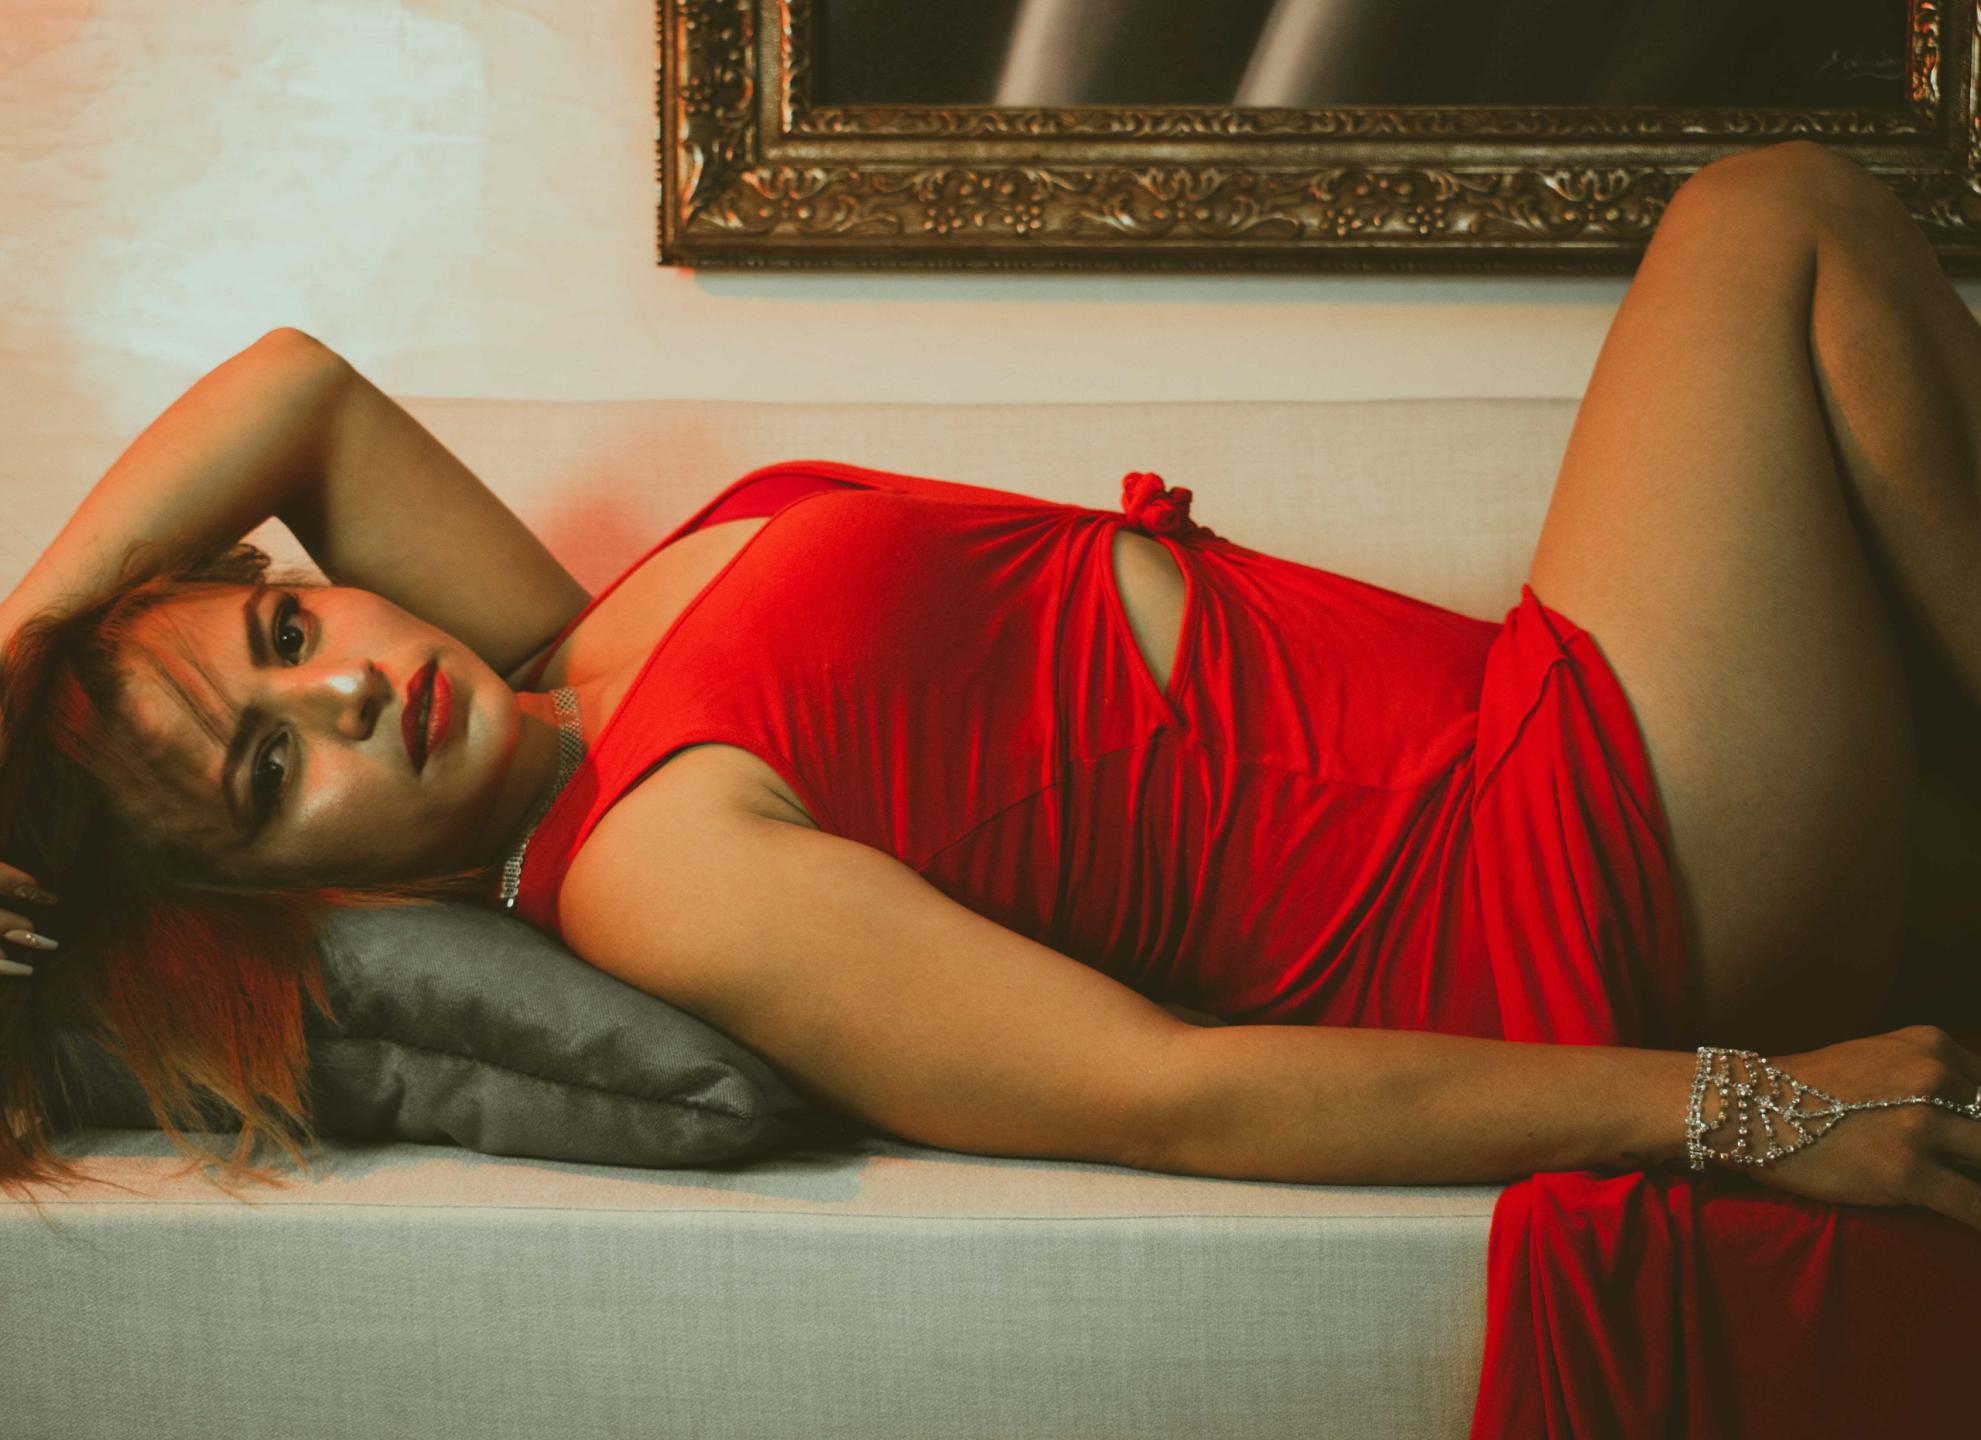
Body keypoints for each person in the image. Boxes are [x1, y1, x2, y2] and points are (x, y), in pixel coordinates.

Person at [2, 138, 1979, 1243]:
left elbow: (297, 388)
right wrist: (1739, 1111)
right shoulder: (660, 871)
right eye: (269, 776)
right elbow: (1163, 1096)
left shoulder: (562, 651)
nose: (352, 696)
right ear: (303, 891)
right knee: (1766, 223)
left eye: (285, 642)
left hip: (1535, 738)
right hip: (1543, 889)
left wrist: (18, 658)